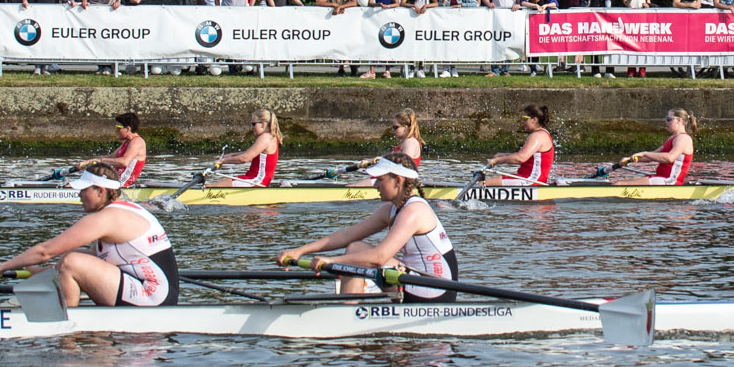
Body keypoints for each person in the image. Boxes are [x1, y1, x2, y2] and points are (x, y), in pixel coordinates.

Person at [0, 164, 179, 307]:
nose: (79, 195)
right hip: (152, 291)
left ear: (100, 191)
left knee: (72, 261)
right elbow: (86, 262)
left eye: (84, 189)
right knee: (71, 259)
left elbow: (45, 251)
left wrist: (1, 267)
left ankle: (68, 327)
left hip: (153, 296)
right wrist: (30, 271)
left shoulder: (108, 218)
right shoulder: (128, 210)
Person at [276, 159, 457, 300]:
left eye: (380, 179)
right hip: (411, 279)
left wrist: (331, 261)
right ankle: (349, 308)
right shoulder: (391, 209)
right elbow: (347, 235)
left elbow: (380, 257)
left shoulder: (414, 211)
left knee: (357, 257)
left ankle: (348, 314)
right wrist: (299, 251)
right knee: (356, 247)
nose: (375, 185)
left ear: (398, 181)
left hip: (434, 290)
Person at [613, 109, 697, 184]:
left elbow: (670, 158)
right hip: (661, 177)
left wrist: (644, 153)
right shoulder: (673, 138)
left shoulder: (683, 138)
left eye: (669, 119)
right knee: (623, 181)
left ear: (679, 120)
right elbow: (652, 156)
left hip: (670, 181)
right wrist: (629, 159)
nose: (666, 122)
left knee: (619, 184)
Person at [483, 104, 556, 185]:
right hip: (528, 178)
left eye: (525, 119)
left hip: (531, 180)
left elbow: (521, 158)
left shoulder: (537, 136)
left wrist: (497, 161)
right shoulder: (542, 134)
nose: (522, 122)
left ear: (534, 119)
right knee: (485, 182)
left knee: (482, 183)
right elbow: (527, 158)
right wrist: (504, 155)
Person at [216, 109, 282, 187]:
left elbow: (245, 158)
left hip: (256, 181)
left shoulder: (265, 138)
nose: (251, 127)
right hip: (254, 179)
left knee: (211, 186)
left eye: (253, 124)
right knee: (221, 183)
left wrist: (222, 161)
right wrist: (228, 156)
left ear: (263, 124)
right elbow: (249, 154)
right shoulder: (270, 137)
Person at [80, 112, 148, 187]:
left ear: (128, 129)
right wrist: (90, 162)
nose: (116, 131)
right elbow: (112, 156)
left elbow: (124, 162)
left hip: (122, 185)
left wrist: (99, 161)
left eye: (118, 128)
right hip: (115, 182)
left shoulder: (137, 142)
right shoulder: (127, 142)